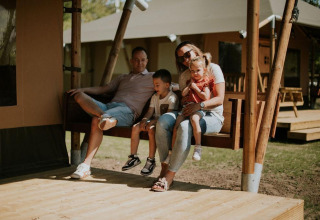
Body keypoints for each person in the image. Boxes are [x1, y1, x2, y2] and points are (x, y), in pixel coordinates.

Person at [68, 46, 155, 179]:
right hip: (108, 107)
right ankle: (105, 117)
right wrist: (82, 89)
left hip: (127, 111)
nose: (140, 63)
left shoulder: (153, 77)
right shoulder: (123, 77)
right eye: (136, 60)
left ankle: (85, 165)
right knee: (79, 96)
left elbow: (170, 85)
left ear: (147, 61)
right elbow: (103, 89)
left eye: (143, 60)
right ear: (131, 61)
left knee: (95, 120)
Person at [151, 41, 225, 192]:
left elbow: (219, 99)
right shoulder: (185, 74)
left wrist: (199, 106)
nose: (185, 60)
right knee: (164, 121)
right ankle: (165, 167)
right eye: (180, 58)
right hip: (189, 111)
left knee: (185, 126)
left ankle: (169, 177)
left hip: (212, 116)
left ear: (196, 51)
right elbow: (185, 99)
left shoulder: (213, 69)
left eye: (187, 55)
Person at [122, 69, 178, 176]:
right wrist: (144, 120)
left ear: (167, 85)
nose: (155, 88)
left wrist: (153, 121)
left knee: (151, 130)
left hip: (163, 125)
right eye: (154, 85)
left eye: (157, 85)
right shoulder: (155, 97)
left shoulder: (172, 98)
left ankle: (151, 160)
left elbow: (168, 116)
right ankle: (133, 157)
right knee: (135, 127)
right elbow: (149, 111)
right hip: (152, 121)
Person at [165, 56, 211, 163]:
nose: (195, 73)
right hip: (186, 108)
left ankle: (198, 147)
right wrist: (190, 85)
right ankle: (171, 152)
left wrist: (196, 88)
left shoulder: (205, 83)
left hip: (198, 108)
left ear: (204, 70)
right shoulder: (190, 83)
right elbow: (183, 94)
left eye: (198, 70)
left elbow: (206, 97)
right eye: (192, 71)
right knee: (176, 125)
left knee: (194, 120)